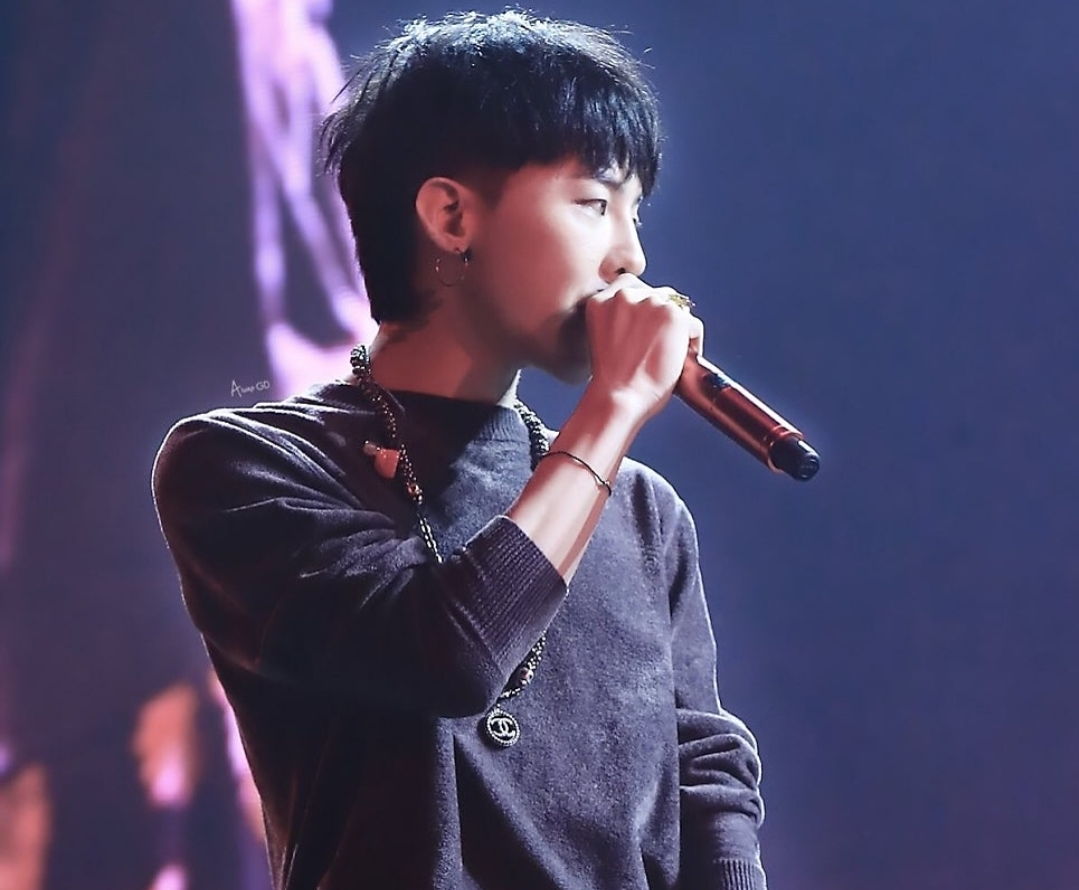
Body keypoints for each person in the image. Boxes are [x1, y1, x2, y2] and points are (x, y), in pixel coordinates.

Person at [152, 11, 767, 890]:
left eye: (636, 213)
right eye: (593, 204)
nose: (630, 257)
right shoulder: (245, 466)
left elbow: (702, 771)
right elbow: (447, 654)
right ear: (450, 216)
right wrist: (613, 408)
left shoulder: (642, 510)